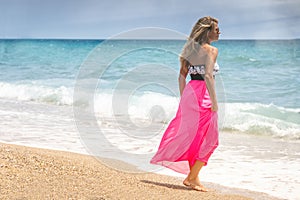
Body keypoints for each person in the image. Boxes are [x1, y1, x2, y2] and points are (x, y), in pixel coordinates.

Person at [150, 16, 221, 192]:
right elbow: (208, 76)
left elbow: (181, 77)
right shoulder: (211, 50)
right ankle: (190, 177)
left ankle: (194, 179)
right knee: (211, 140)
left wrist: (184, 99)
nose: (219, 31)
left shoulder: (189, 51)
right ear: (207, 31)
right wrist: (214, 102)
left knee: (194, 138)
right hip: (203, 94)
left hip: (190, 93)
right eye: (216, 29)